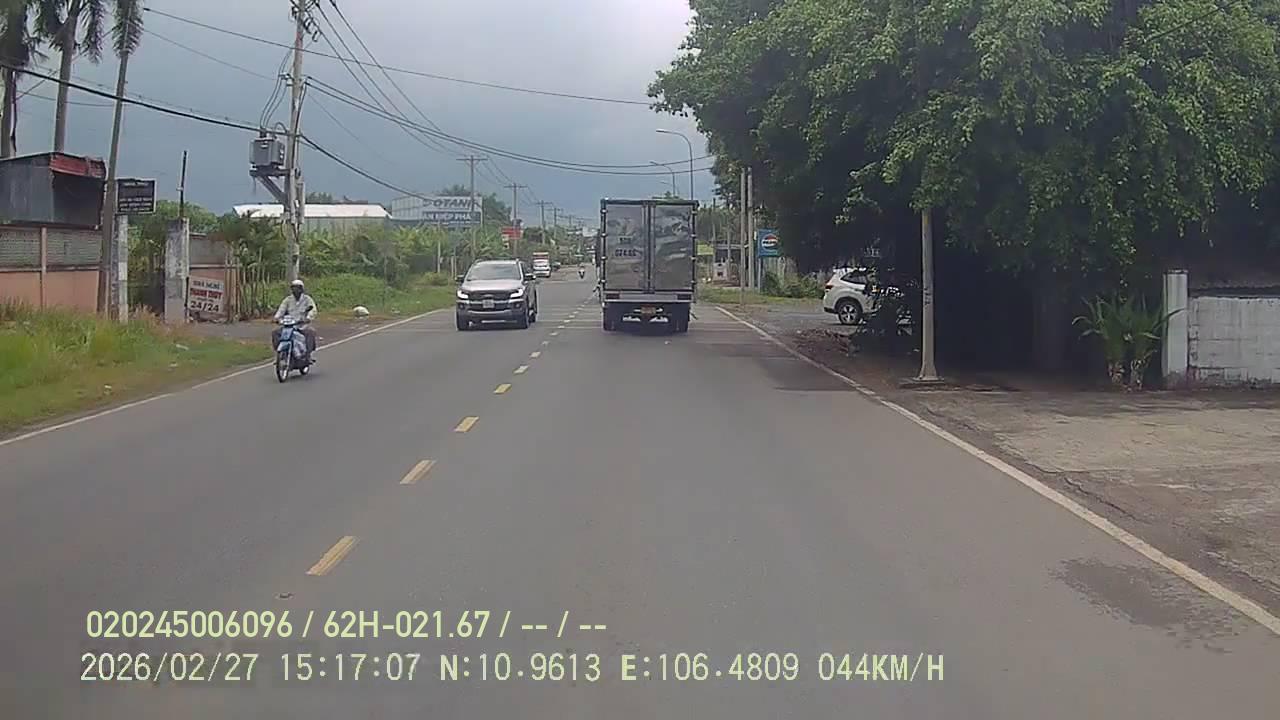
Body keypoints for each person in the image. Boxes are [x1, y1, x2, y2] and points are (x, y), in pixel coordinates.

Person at [272, 279, 318, 360]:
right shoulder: (288, 300)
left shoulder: (307, 299)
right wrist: (276, 318)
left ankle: (307, 355)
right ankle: (280, 353)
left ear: (301, 289)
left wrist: (308, 318)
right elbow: (281, 310)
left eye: (297, 288)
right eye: (293, 288)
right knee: (275, 333)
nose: (295, 290)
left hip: (302, 325)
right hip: (289, 325)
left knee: (310, 333)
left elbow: (313, 310)